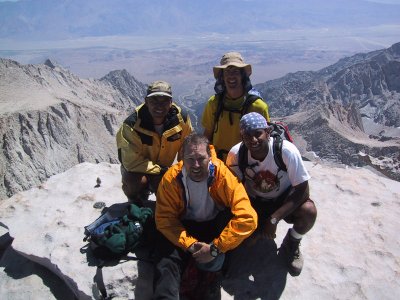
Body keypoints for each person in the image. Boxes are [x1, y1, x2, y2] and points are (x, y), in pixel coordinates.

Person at [153, 133, 258, 299]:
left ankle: (212, 276)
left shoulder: (221, 175)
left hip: (214, 224)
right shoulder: (171, 179)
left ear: (209, 157)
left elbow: (248, 217)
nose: (195, 165)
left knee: (214, 260)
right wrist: (190, 244)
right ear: (182, 158)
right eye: (190, 159)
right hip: (183, 225)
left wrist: (216, 248)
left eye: (201, 159)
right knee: (168, 262)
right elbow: (165, 219)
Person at [226, 112, 317, 276]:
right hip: (253, 202)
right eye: (247, 135)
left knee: (308, 211)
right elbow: (234, 188)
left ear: (267, 132)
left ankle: (292, 242)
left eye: (257, 133)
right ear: (241, 135)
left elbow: (302, 189)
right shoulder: (236, 154)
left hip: (282, 200)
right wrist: (248, 217)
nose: (253, 140)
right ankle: (254, 231)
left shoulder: (286, 151)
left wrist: (274, 219)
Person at [116, 80, 193, 205]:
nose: (159, 106)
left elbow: (187, 147)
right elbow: (131, 163)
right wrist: (162, 171)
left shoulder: (181, 119)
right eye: (154, 101)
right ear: (146, 102)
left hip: (163, 168)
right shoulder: (132, 125)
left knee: (174, 187)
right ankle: (137, 199)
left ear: (171, 102)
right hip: (138, 169)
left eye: (164, 101)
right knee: (133, 182)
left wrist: (181, 170)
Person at [201, 51, 270, 162]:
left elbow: (265, 139)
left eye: (235, 71)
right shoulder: (214, 103)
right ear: (222, 77)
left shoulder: (258, 107)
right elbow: (207, 135)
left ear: (242, 75)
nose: (231, 76)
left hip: (246, 166)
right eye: (227, 72)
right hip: (219, 164)